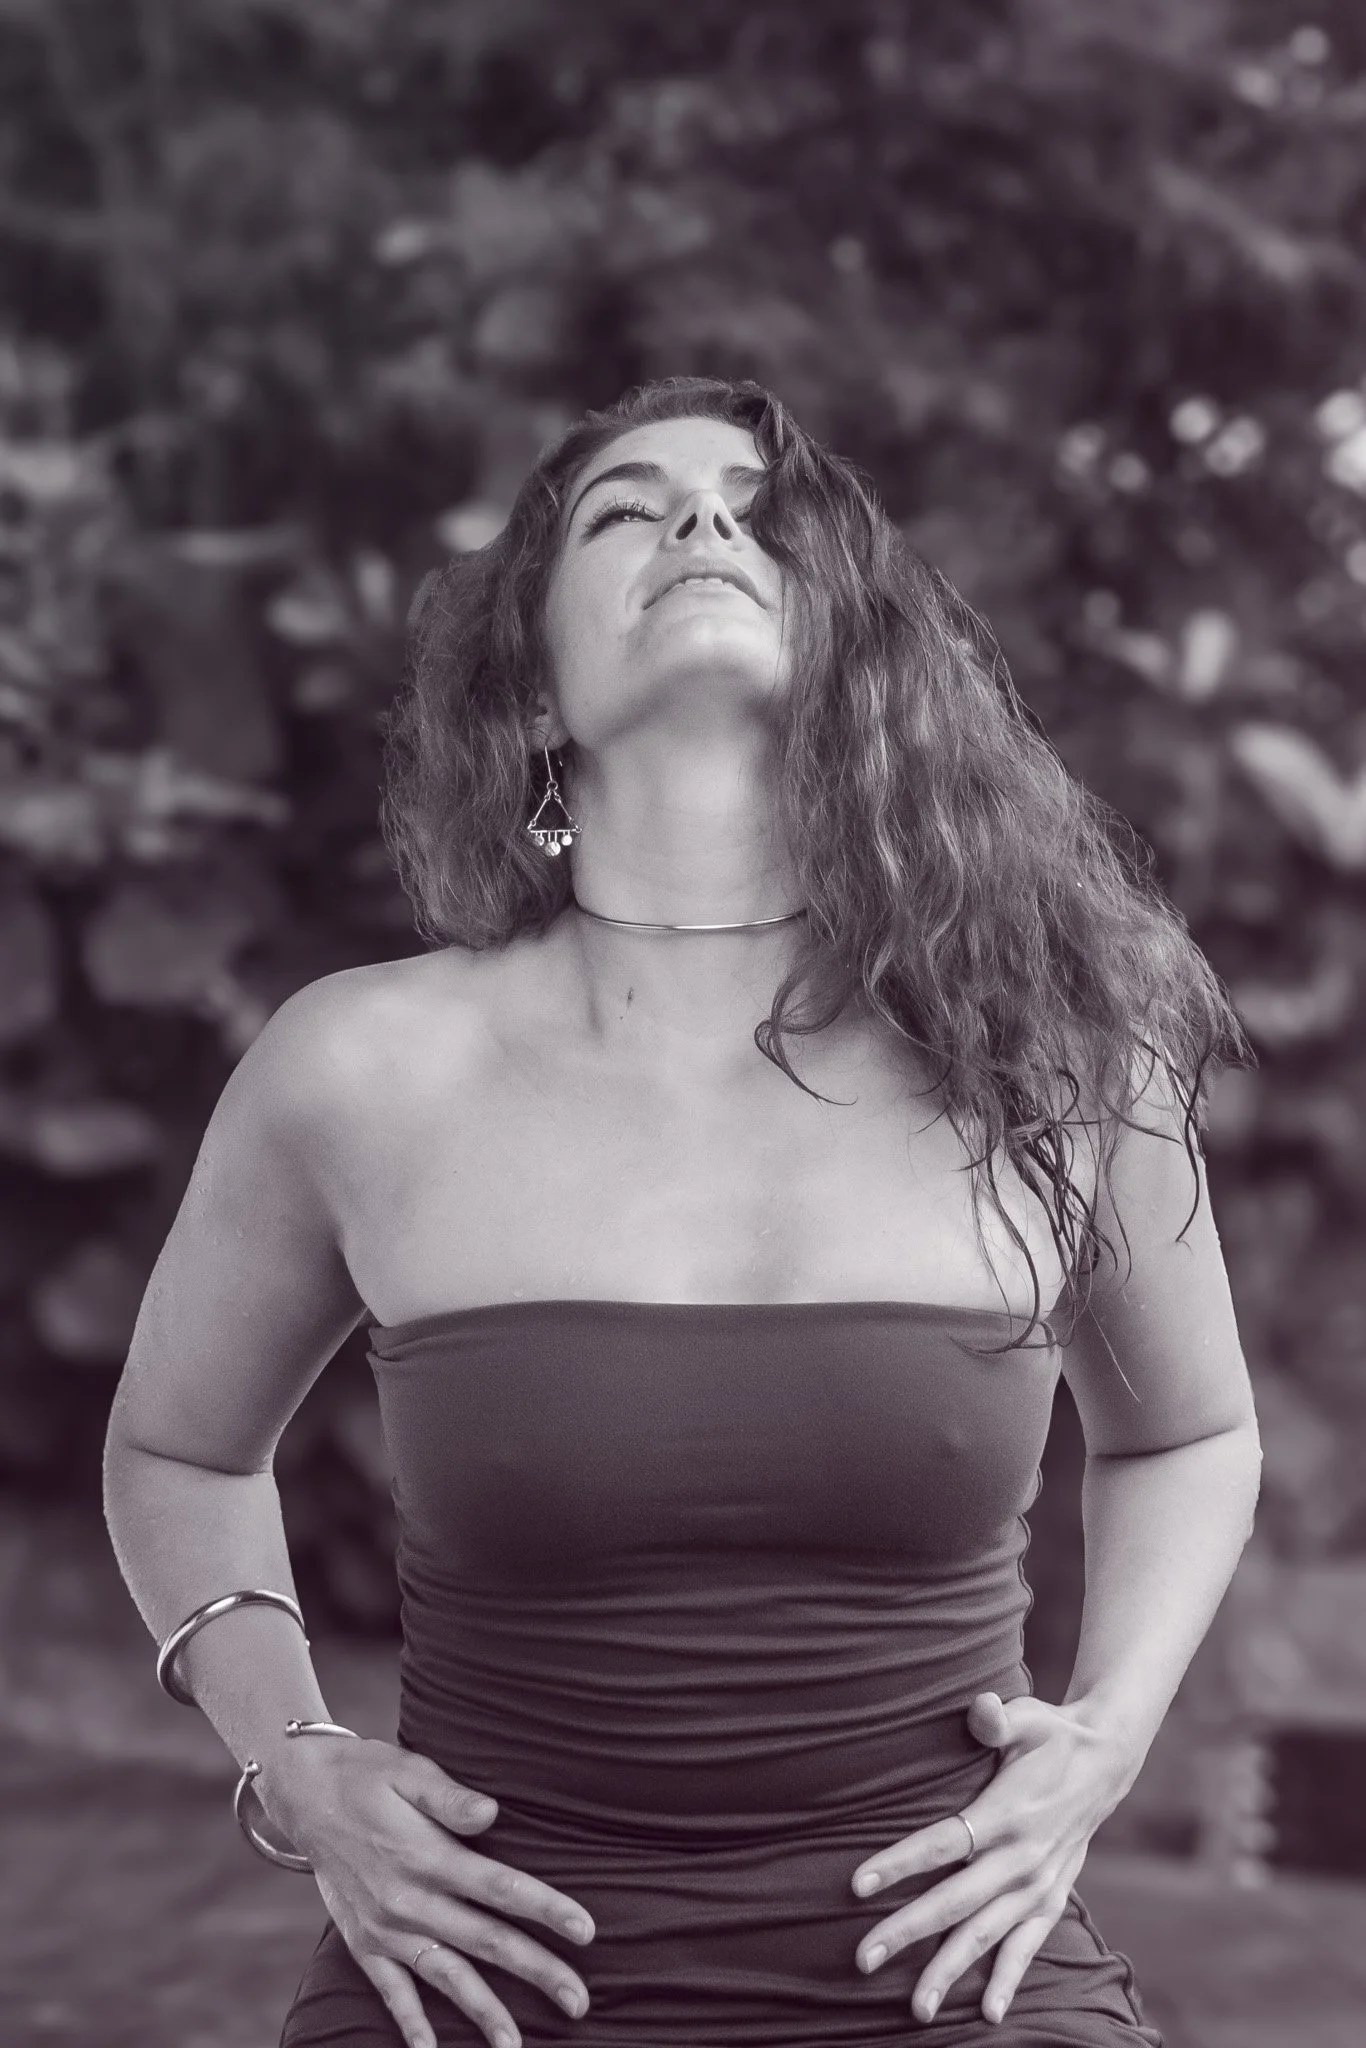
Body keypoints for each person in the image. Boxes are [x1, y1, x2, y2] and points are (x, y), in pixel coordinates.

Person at [104, 375, 1261, 2048]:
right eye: (625, 509)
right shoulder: (358, 1066)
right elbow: (176, 1453)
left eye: (754, 510)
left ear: (854, 646)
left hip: (960, 1979)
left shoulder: (1052, 1047)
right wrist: (298, 1765)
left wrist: (1111, 1732)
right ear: (534, 683)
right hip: (474, 1989)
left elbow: (1190, 1433)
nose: (704, 523)